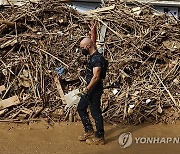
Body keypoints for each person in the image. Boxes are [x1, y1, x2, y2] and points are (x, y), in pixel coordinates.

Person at [77, 37, 106, 145]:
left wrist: (87, 89)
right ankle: (89, 130)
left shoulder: (97, 58)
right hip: (88, 89)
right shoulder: (92, 57)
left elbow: (96, 77)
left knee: (96, 113)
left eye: (82, 47)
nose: (82, 50)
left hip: (94, 90)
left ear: (88, 46)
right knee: (81, 108)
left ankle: (100, 137)